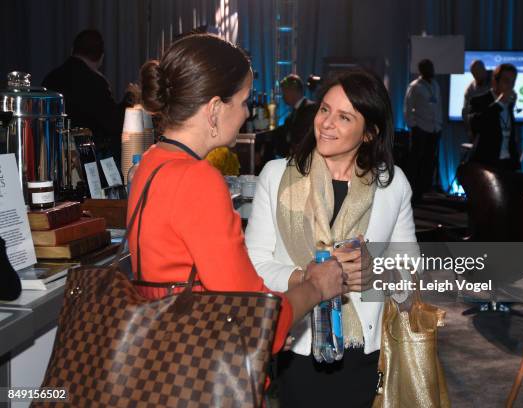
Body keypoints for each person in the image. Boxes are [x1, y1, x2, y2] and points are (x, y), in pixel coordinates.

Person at [128, 34, 346, 358]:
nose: (246, 113)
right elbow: (252, 319)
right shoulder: (197, 180)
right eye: (243, 101)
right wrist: (315, 287)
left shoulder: (150, 163)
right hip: (199, 374)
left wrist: (279, 316)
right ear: (215, 108)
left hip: (165, 356)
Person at [245, 68, 418, 407]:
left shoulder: (392, 184)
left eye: (343, 117)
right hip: (297, 342)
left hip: (364, 349)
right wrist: (309, 278)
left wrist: (374, 274)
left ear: (369, 133)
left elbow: (410, 274)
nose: (326, 123)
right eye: (324, 109)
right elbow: (255, 265)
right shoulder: (277, 175)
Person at [42, 29, 137, 165]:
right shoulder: (95, 83)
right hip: (84, 163)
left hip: (51, 157)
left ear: (72, 50)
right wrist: (130, 97)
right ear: (101, 57)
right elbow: (114, 124)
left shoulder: (50, 78)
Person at [404, 59, 443, 202]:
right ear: (421, 70)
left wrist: (439, 125)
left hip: (434, 128)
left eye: (431, 67)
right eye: (428, 68)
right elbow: (408, 107)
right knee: (416, 162)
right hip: (421, 128)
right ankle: (412, 193)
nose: (431, 70)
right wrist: (413, 125)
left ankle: (424, 191)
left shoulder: (435, 85)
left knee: (429, 161)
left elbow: (438, 105)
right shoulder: (415, 86)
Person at [468, 63, 520, 171]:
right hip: (487, 165)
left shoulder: (510, 103)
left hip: (508, 164)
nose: (510, 86)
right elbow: (476, 125)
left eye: (513, 81)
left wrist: (516, 164)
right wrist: (499, 103)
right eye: (506, 81)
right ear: (495, 81)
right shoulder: (479, 100)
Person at [263, 74, 318, 161]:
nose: (283, 97)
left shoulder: (310, 109)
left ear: (292, 91)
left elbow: (302, 137)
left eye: (284, 92)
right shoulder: (292, 115)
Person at [461, 60, 492, 141]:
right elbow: (465, 111)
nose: (476, 77)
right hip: (479, 130)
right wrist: (469, 130)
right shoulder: (470, 89)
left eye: (478, 73)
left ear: (484, 70)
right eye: (474, 74)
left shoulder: (496, 80)